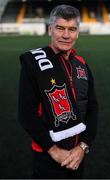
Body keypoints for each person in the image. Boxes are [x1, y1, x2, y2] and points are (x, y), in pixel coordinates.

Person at [18, 4, 98, 179]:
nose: (66, 35)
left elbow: (92, 109)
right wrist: (53, 150)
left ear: (78, 32)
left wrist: (82, 147)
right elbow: (26, 114)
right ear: (50, 29)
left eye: (72, 29)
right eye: (60, 28)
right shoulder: (34, 62)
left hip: (78, 156)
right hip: (48, 157)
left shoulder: (82, 64)